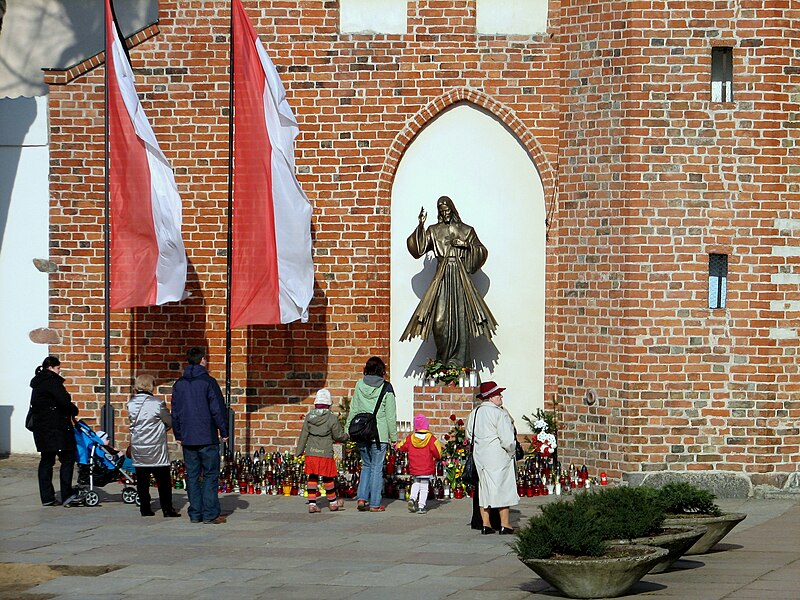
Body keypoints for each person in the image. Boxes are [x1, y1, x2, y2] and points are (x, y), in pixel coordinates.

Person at [402, 196, 498, 369]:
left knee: (461, 323)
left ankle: (458, 364)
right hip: (442, 278)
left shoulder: (467, 230)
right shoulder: (433, 230)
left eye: (446, 210)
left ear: (452, 209)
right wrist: (421, 225)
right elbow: (418, 249)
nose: (444, 213)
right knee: (439, 323)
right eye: (441, 211)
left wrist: (466, 245)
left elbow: (481, 251)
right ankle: (443, 363)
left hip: (460, 278)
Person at [171, 347, 229, 524]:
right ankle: (210, 513)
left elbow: (175, 411)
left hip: (188, 436)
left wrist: (178, 433)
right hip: (206, 435)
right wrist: (224, 431)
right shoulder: (208, 382)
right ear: (203, 360)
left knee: (192, 475)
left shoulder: (179, 384)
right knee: (211, 475)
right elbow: (217, 410)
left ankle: (195, 513)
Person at [345, 356, 397, 512]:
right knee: (376, 467)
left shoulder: (359, 385)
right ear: (382, 370)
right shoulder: (387, 388)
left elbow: (353, 409)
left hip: (361, 432)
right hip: (379, 434)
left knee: (366, 465)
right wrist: (393, 437)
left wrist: (348, 428)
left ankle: (361, 497)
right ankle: (375, 503)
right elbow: (390, 416)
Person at [466, 381, 519, 535]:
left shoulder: (474, 413)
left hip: (481, 456)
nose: (500, 396)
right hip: (498, 455)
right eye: (497, 394)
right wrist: (511, 452)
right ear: (490, 398)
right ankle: (505, 524)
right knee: (502, 488)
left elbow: (469, 435)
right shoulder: (499, 413)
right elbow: (507, 439)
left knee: (484, 489)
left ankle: (486, 524)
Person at [28, 356, 79, 506]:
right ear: (50, 368)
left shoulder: (38, 383)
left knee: (46, 460)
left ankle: (47, 497)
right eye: (58, 368)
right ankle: (67, 494)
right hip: (56, 429)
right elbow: (64, 401)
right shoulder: (52, 382)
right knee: (68, 459)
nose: (59, 371)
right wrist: (73, 410)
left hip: (42, 429)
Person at [128, 374, 180, 518]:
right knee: (163, 481)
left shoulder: (131, 404)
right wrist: (162, 428)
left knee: (142, 481)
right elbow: (169, 421)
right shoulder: (157, 403)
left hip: (139, 446)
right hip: (156, 447)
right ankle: (167, 509)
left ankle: (145, 509)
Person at [296, 388, 349, 513]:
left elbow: (303, 435)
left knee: (312, 477)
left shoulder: (309, 416)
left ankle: (312, 504)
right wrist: (346, 437)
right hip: (325, 452)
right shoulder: (332, 418)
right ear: (329, 404)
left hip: (311, 451)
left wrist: (298, 452)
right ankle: (333, 502)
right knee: (328, 478)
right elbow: (338, 436)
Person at [396, 413, 441, 514]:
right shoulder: (431, 439)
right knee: (424, 487)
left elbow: (401, 446)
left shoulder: (410, 438)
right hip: (426, 467)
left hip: (414, 467)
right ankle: (421, 506)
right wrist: (438, 457)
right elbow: (437, 452)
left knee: (416, 483)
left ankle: (412, 498)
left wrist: (396, 446)